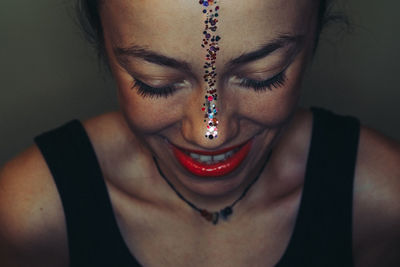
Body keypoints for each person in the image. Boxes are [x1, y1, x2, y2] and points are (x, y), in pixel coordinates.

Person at [0, 0, 399, 266]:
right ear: (105, 48)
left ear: (314, 41)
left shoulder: (382, 200)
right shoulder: (32, 214)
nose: (212, 133)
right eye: (154, 81)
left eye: (263, 76)